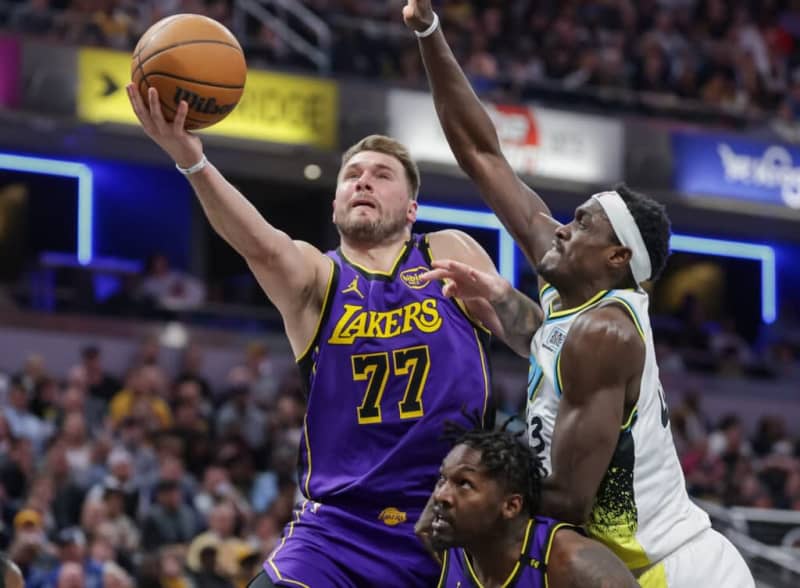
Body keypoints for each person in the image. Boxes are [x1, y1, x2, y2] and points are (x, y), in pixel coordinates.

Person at [126, 83, 539, 587]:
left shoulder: (448, 251)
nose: (363, 181)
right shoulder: (319, 277)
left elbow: (537, 342)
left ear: (411, 209)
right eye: (352, 175)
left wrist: (499, 295)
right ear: (335, 205)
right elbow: (261, 245)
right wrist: (193, 162)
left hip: (449, 521)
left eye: (381, 175)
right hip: (338, 528)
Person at [402, 1, 755, 586]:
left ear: (617, 258)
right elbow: (482, 154)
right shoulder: (567, 279)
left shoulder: (605, 332)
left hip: (673, 570)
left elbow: (566, 498)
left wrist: (469, 499)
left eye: (585, 223)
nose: (563, 226)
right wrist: (428, 31)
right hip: (615, 566)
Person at [431, 423, 637, 587]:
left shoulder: (573, 564)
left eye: (464, 484)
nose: (441, 496)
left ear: (511, 506)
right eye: (442, 479)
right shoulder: (453, 544)